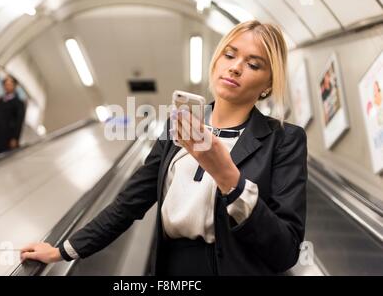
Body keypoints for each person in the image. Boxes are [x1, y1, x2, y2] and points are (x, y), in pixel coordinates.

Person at [21, 20, 307, 275]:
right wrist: (64, 250)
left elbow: (286, 250)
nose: (235, 67)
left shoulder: (284, 140)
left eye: (253, 64)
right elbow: (129, 203)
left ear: (268, 84)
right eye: (229, 55)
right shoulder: (178, 127)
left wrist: (229, 180)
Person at [0, 74, 26, 156]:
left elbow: (19, 122)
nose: (7, 86)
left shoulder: (19, 103)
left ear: (14, 86)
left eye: (10, 84)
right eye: (6, 84)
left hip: (7, 136)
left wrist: (15, 138)